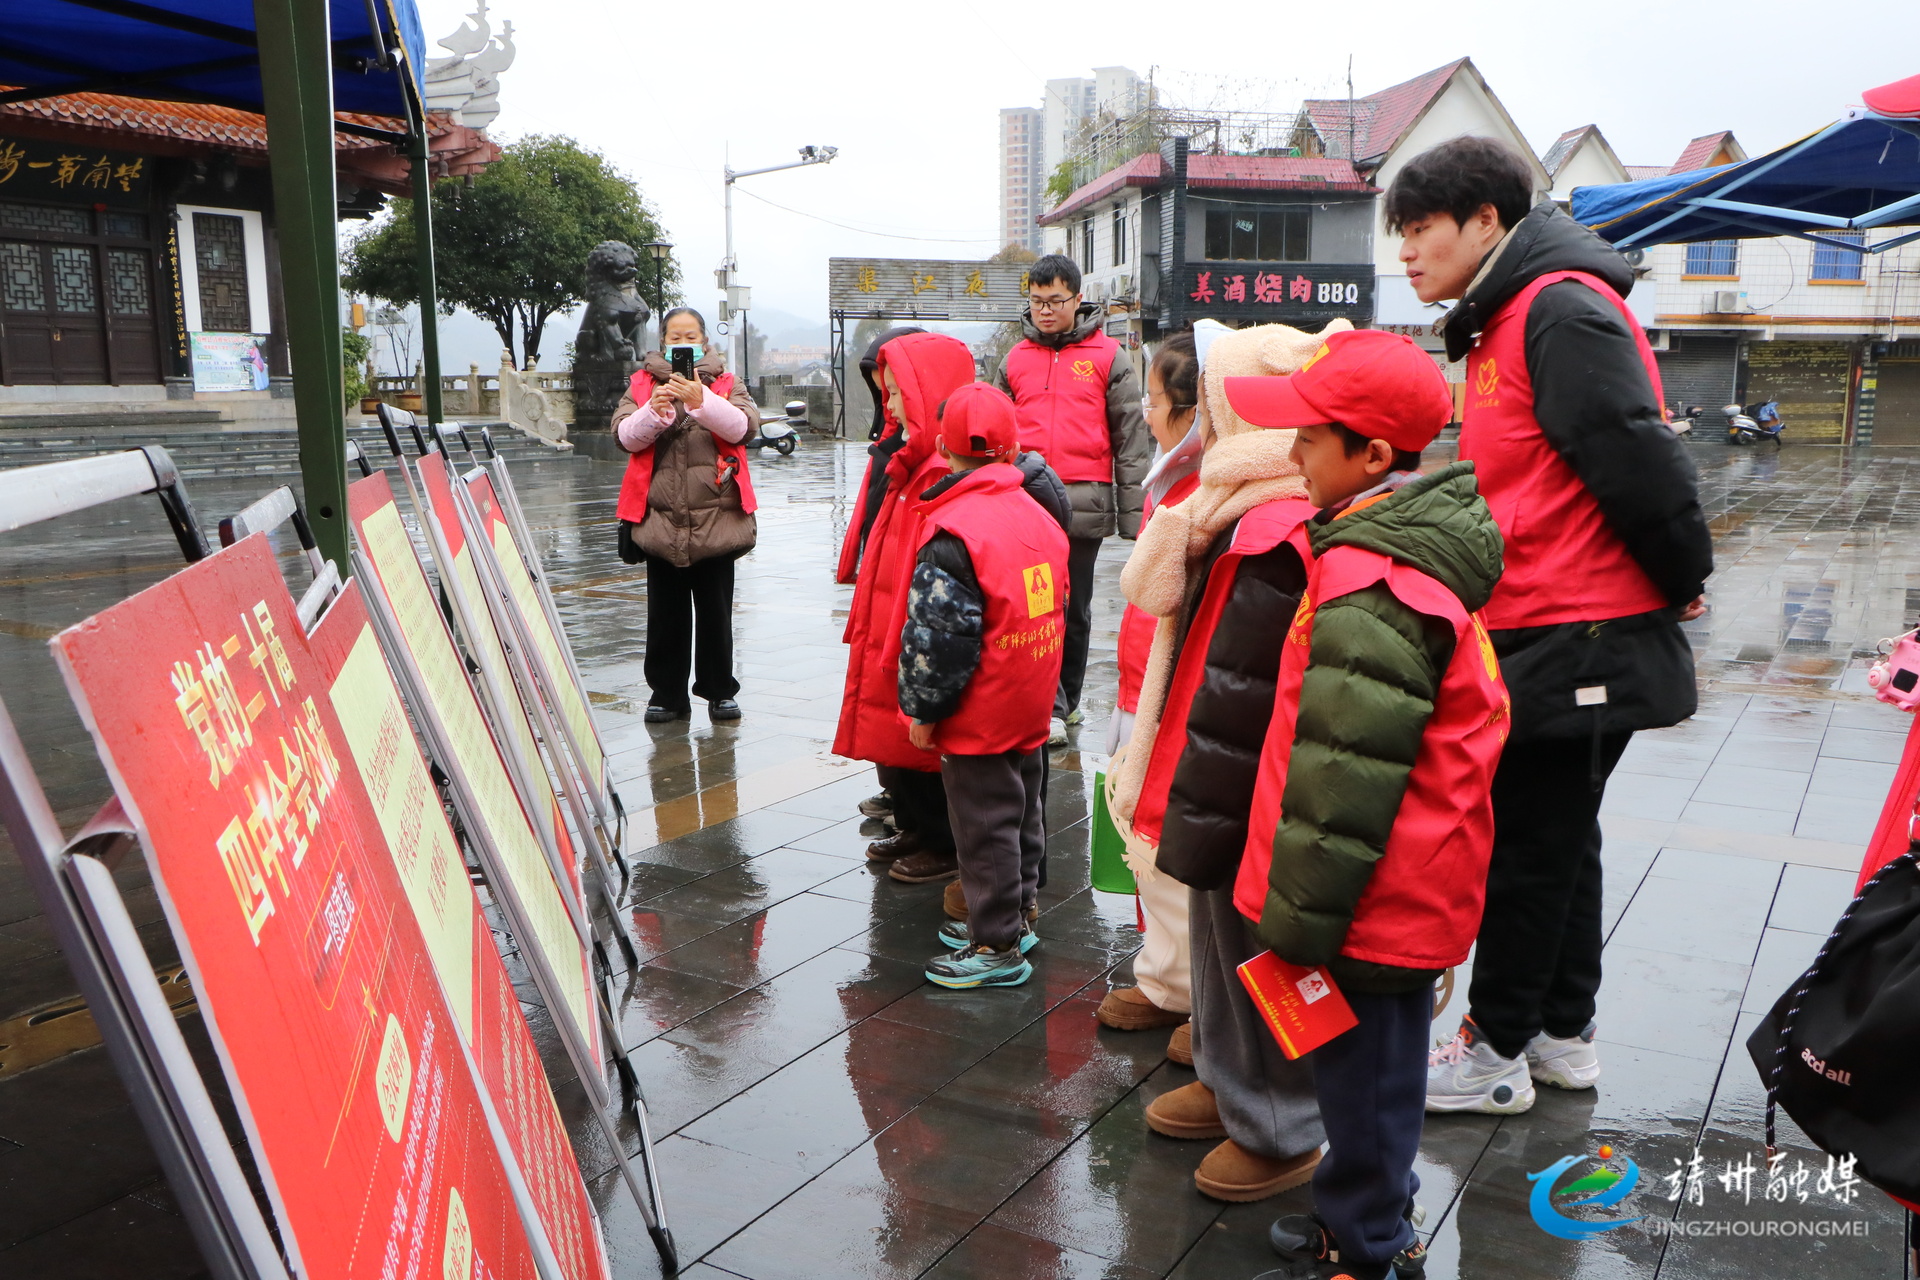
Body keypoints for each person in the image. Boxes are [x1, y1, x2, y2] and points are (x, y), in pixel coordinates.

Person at [1386, 137, 1713, 1115]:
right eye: (1401, 232)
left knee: (1527, 846)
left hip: (1583, 626)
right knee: (1562, 836)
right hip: (1543, 620)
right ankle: (1563, 1034)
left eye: (1421, 228)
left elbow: (1634, 453)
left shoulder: (1556, 308)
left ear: (1487, 219)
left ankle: (1494, 1051)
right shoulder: (1503, 314)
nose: (1407, 251)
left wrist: (1683, 573)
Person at [1224, 328, 1507, 1280]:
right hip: (1389, 883)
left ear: (1375, 455)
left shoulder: (1376, 581)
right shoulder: (1382, 547)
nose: (1293, 452)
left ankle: (1371, 1249)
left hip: (1375, 899)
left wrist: (1299, 924)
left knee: (1370, 1088)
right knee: (1362, 1081)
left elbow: (1345, 777)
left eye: (1310, 438)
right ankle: (1362, 1215)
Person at [1121, 321, 1337, 1203]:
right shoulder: (1232, 511)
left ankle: (1280, 1123)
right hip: (1217, 771)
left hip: (1248, 784)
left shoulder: (1272, 528)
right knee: (1218, 943)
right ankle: (1227, 1077)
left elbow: (1250, 685)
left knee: (1254, 945)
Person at [896, 383, 1070, 989]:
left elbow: (937, 641)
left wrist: (923, 710)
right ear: (1013, 447)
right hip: (1030, 693)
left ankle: (996, 943)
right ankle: (1020, 912)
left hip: (980, 707)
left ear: (944, 449)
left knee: (984, 824)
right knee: (1023, 811)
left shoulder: (954, 529)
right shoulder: (1039, 513)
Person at [832, 332, 977, 883]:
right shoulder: (910, 457)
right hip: (892, 611)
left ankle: (942, 841)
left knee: (920, 740)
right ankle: (916, 825)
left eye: (895, 392)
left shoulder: (938, 468)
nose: (888, 403)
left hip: (915, 620)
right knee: (896, 738)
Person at [1095, 330, 1206, 1043]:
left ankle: (1192, 993)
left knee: (1171, 842)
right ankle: (1167, 978)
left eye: (1155, 399)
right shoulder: (1174, 479)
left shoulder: (1206, 492)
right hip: (1145, 683)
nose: (1145, 411)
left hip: (1177, 697)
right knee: (1145, 839)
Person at [995, 253, 1151, 745]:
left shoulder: (1109, 357)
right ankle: (1041, 702)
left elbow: (1131, 441)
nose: (1045, 310)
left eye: (1055, 300)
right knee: (1030, 606)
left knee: (1074, 608)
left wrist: (1135, 518)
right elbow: (993, 432)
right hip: (1025, 502)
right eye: (1037, 301)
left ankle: (1066, 702)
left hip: (1084, 503)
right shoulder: (1014, 359)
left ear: (1078, 299)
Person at [614, 307, 763, 723]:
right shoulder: (641, 384)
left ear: (704, 341)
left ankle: (720, 691)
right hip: (660, 518)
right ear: (663, 342)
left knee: (716, 613)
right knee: (666, 615)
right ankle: (666, 695)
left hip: (716, 516)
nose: (683, 344)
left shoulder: (727, 382)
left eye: (690, 336)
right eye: (675, 337)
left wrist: (703, 401)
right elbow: (623, 436)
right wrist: (652, 411)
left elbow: (744, 428)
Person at [840, 325, 930, 827]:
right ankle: (900, 794)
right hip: (883, 572)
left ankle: (918, 812)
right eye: (882, 390)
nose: (887, 400)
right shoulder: (892, 437)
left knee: (902, 689)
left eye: (893, 390)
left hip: (907, 585)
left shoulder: (926, 453)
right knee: (881, 688)